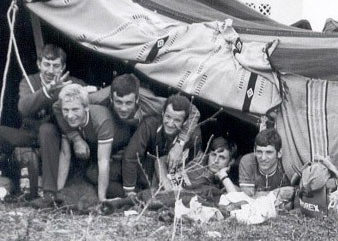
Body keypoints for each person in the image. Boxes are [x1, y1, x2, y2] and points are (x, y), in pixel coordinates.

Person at [55, 73, 201, 197]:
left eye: (128, 103)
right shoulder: (97, 99)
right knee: (94, 173)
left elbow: (193, 111)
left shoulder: (150, 102)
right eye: (119, 102)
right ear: (111, 99)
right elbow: (57, 106)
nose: (123, 108)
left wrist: (179, 144)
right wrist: (76, 138)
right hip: (109, 140)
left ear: (137, 99)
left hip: (139, 145)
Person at [0, 44, 83, 205]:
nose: (51, 71)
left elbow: (86, 93)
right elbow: (23, 107)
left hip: (53, 136)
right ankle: (6, 178)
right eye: (47, 64)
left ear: (63, 67)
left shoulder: (69, 82)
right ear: (39, 64)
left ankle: (49, 193)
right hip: (29, 134)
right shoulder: (28, 81)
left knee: (47, 129)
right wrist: (47, 92)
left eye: (56, 66)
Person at [121, 94, 201, 200]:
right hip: (146, 168)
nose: (170, 123)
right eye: (168, 117)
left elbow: (186, 167)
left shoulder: (193, 136)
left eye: (177, 120)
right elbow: (131, 156)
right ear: (162, 113)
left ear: (185, 122)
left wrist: (172, 191)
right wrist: (129, 192)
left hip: (171, 173)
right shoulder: (150, 124)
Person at [56, 84, 115, 203]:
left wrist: (101, 199)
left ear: (86, 108)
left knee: (93, 175)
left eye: (75, 109)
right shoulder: (67, 119)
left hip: (118, 153)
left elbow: (103, 162)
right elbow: (65, 155)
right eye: (66, 110)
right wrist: (59, 192)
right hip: (95, 153)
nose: (70, 115)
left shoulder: (101, 120)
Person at [238, 128, 291, 198]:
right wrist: (278, 193)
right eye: (259, 152)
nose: (263, 158)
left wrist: (258, 194)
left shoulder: (287, 165)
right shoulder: (248, 161)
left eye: (269, 152)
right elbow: (247, 197)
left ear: (279, 153)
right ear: (254, 151)